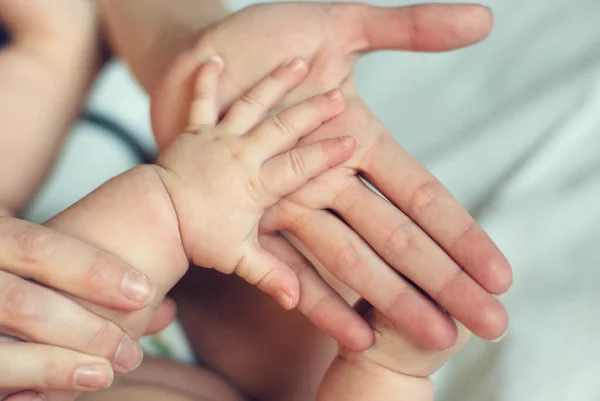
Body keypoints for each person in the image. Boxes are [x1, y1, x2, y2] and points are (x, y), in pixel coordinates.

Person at [0, 1, 511, 399]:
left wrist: (179, 207)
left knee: (68, 305)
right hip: (221, 370)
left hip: (46, 354)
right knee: (330, 289)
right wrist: (390, 371)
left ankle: (59, 47)